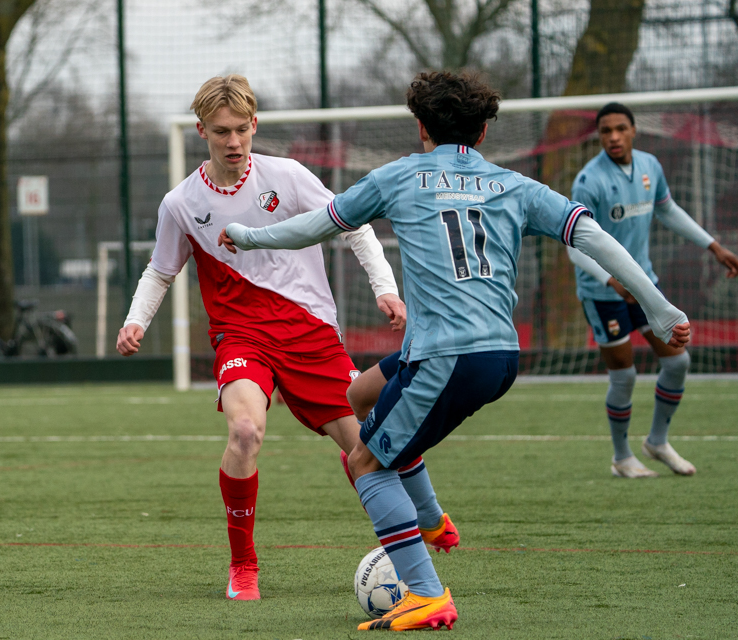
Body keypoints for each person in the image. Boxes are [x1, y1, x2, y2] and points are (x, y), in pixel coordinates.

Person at [220, 71, 691, 632]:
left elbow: (314, 227)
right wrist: (659, 308)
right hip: (493, 354)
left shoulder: (397, 177)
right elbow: (590, 235)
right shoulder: (512, 184)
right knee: (360, 394)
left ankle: (425, 592)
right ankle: (430, 518)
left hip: (450, 358)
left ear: (421, 126)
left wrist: (246, 236)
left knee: (365, 462)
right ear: (484, 133)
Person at [116, 74, 457, 602]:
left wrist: (386, 290)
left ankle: (417, 534)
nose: (233, 142)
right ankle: (243, 565)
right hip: (241, 337)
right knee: (246, 432)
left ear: (255, 125)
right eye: (222, 132)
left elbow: (356, 227)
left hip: (311, 335)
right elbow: (160, 272)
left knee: (367, 445)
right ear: (201, 131)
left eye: (242, 130)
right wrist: (136, 321)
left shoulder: (289, 177)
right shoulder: (180, 203)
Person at [566, 103, 738, 479]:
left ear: (633, 131)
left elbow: (669, 210)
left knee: (678, 361)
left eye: (620, 129)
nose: (613, 137)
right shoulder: (588, 181)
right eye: (606, 131)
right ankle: (622, 456)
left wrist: (714, 246)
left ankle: (657, 441)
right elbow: (573, 246)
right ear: (599, 136)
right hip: (603, 292)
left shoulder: (650, 167)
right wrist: (612, 279)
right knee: (624, 376)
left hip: (643, 284)